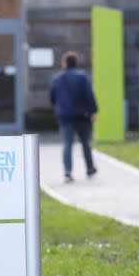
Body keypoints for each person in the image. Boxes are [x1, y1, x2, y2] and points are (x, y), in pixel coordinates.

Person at [49, 51, 98, 182]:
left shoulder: (57, 79)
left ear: (64, 63)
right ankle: (90, 168)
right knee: (86, 143)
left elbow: (52, 98)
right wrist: (93, 111)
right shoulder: (82, 77)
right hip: (82, 116)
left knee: (67, 144)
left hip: (65, 116)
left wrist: (58, 108)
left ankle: (67, 172)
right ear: (76, 63)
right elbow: (89, 95)